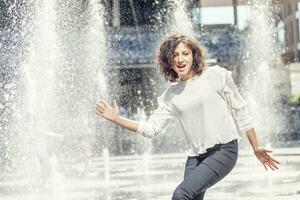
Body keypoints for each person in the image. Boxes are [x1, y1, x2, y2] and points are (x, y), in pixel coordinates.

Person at [95, 34, 280, 200]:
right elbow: (150, 129)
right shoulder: (171, 95)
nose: (180, 59)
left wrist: (256, 146)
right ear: (169, 61)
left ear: (194, 56)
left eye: (185, 54)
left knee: (181, 195)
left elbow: (241, 111)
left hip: (224, 151)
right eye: (175, 55)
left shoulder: (216, 75)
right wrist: (117, 119)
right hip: (195, 157)